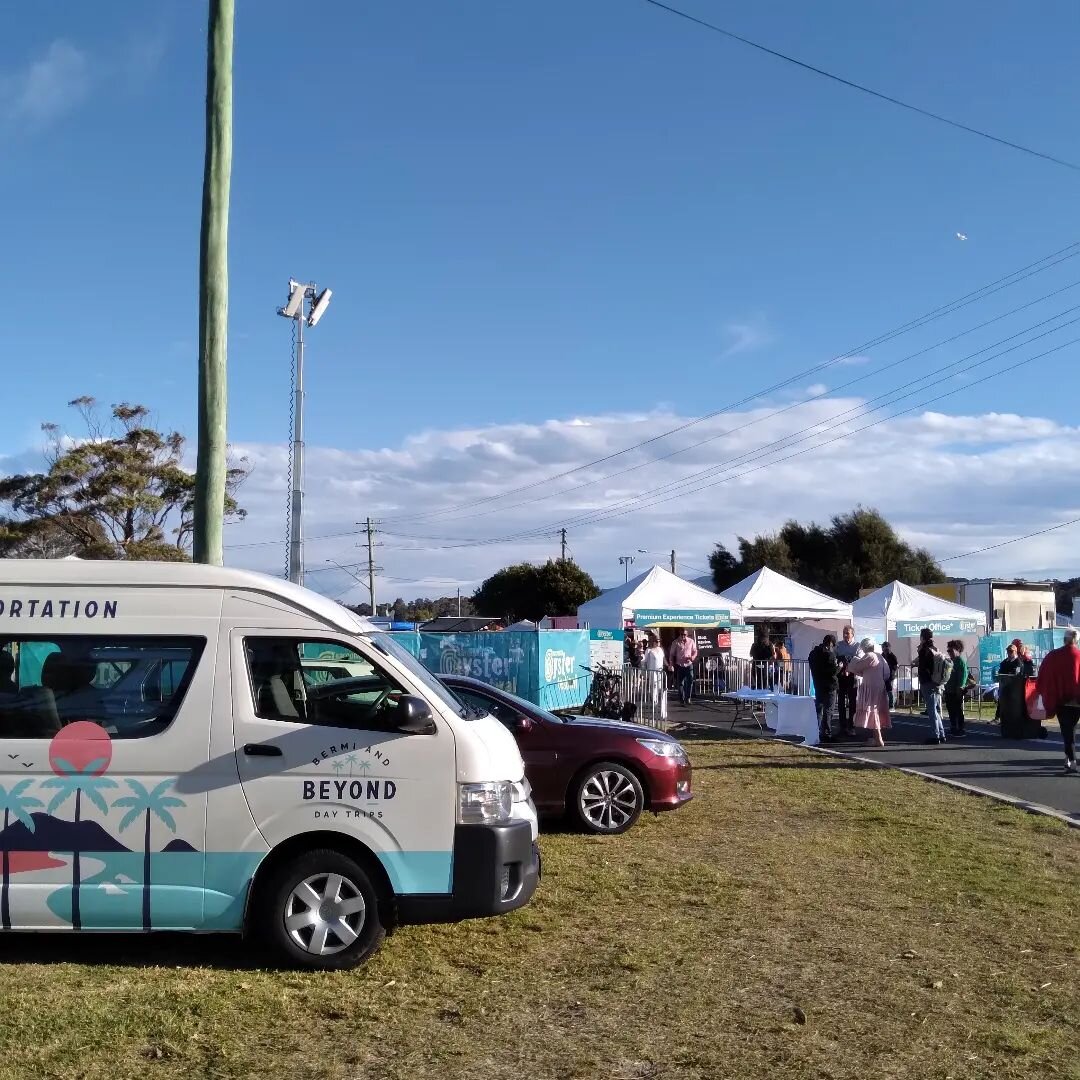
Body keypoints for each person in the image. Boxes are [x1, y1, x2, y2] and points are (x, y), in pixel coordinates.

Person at [1035, 628, 1080, 774]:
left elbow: (1044, 674)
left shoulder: (1054, 656)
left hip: (1061, 700)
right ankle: (1068, 758)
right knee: (1071, 729)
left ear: (1064, 639)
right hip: (1077, 700)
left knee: (1066, 730)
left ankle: (1071, 760)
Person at [847, 639, 891, 747]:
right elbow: (887, 673)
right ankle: (876, 738)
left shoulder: (869, 656)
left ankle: (879, 739)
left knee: (872, 711)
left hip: (871, 687)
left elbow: (857, 667)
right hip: (880, 686)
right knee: (876, 711)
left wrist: (853, 660)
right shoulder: (880, 656)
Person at [916, 627, 948, 744]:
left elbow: (924, 667)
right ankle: (941, 734)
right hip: (937, 682)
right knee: (935, 710)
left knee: (931, 710)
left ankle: (936, 735)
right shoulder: (935, 649)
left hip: (928, 682)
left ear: (923, 637)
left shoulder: (925, 650)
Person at [807, 634, 839, 741]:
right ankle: (826, 733)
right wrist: (840, 667)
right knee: (828, 710)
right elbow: (832, 671)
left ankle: (816, 730)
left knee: (818, 709)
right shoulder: (830, 655)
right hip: (830, 685)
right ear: (831, 644)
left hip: (818, 683)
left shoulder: (813, 653)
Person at [835, 625, 860, 737]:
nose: (845, 635)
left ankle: (852, 726)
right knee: (841, 702)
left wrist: (848, 661)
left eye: (848, 633)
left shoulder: (857, 646)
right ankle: (842, 726)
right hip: (841, 677)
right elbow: (835, 657)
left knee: (852, 703)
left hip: (852, 677)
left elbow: (858, 659)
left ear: (852, 634)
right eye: (844, 633)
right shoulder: (839, 645)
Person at [943, 639, 968, 738]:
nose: (949, 653)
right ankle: (953, 727)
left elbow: (963, 676)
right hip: (949, 689)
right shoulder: (951, 661)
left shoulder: (960, 661)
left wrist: (960, 687)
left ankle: (960, 729)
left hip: (956, 690)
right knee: (950, 709)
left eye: (951, 651)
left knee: (957, 710)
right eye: (948, 651)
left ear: (958, 650)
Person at [668, 628, 698, 707]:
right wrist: (671, 664)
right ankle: (682, 699)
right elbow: (671, 654)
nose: (683, 636)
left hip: (689, 664)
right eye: (681, 634)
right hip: (680, 665)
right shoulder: (675, 642)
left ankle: (688, 698)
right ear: (679, 634)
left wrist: (692, 657)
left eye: (684, 635)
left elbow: (695, 651)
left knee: (690, 681)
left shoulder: (691, 641)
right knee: (680, 683)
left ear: (687, 634)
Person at [641, 632, 668, 720]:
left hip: (660, 670)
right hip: (652, 671)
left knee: (660, 687)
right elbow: (644, 662)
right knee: (654, 686)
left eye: (659, 641)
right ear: (653, 642)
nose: (658, 642)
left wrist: (668, 665)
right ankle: (654, 702)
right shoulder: (648, 650)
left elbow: (664, 659)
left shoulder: (660, 649)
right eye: (656, 641)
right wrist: (644, 673)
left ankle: (658, 701)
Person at [880, 641, 898, 709]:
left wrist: (890, 669)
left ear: (889, 648)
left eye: (886, 647)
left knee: (890, 690)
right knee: (883, 690)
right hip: (883, 675)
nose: (885, 648)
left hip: (890, 676)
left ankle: (891, 705)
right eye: (884, 647)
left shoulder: (893, 656)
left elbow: (895, 666)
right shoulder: (882, 656)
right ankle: (884, 704)